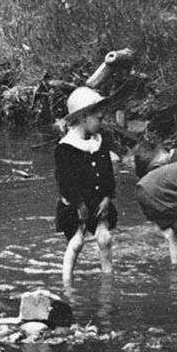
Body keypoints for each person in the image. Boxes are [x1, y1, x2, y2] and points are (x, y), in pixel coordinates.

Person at [54, 86, 118, 286]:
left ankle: (108, 278)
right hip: (76, 204)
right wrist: (78, 204)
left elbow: (107, 172)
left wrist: (107, 197)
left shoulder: (99, 141)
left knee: (105, 239)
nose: (101, 123)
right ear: (83, 118)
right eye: (98, 119)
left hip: (98, 201)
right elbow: (65, 181)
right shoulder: (66, 148)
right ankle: (67, 281)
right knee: (77, 242)